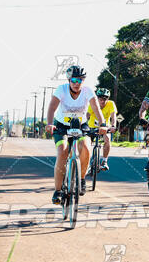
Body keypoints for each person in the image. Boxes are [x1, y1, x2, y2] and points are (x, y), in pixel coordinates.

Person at [46, 65, 107, 204]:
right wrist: (50, 123)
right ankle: (58, 190)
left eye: (80, 80)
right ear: (69, 80)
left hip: (81, 125)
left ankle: (82, 179)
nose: (76, 83)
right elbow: (51, 108)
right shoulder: (61, 90)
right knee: (62, 152)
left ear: (83, 81)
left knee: (86, 148)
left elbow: (96, 108)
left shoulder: (88, 91)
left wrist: (103, 124)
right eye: (73, 80)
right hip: (61, 126)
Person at [86, 87, 117, 170]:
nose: (103, 101)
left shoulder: (111, 104)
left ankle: (104, 161)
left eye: (105, 99)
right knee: (86, 144)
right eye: (100, 99)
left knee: (107, 139)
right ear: (97, 98)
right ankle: (87, 163)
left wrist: (113, 126)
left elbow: (113, 116)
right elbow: (87, 115)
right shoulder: (93, 103)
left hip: (104, 127)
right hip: (92, 127)